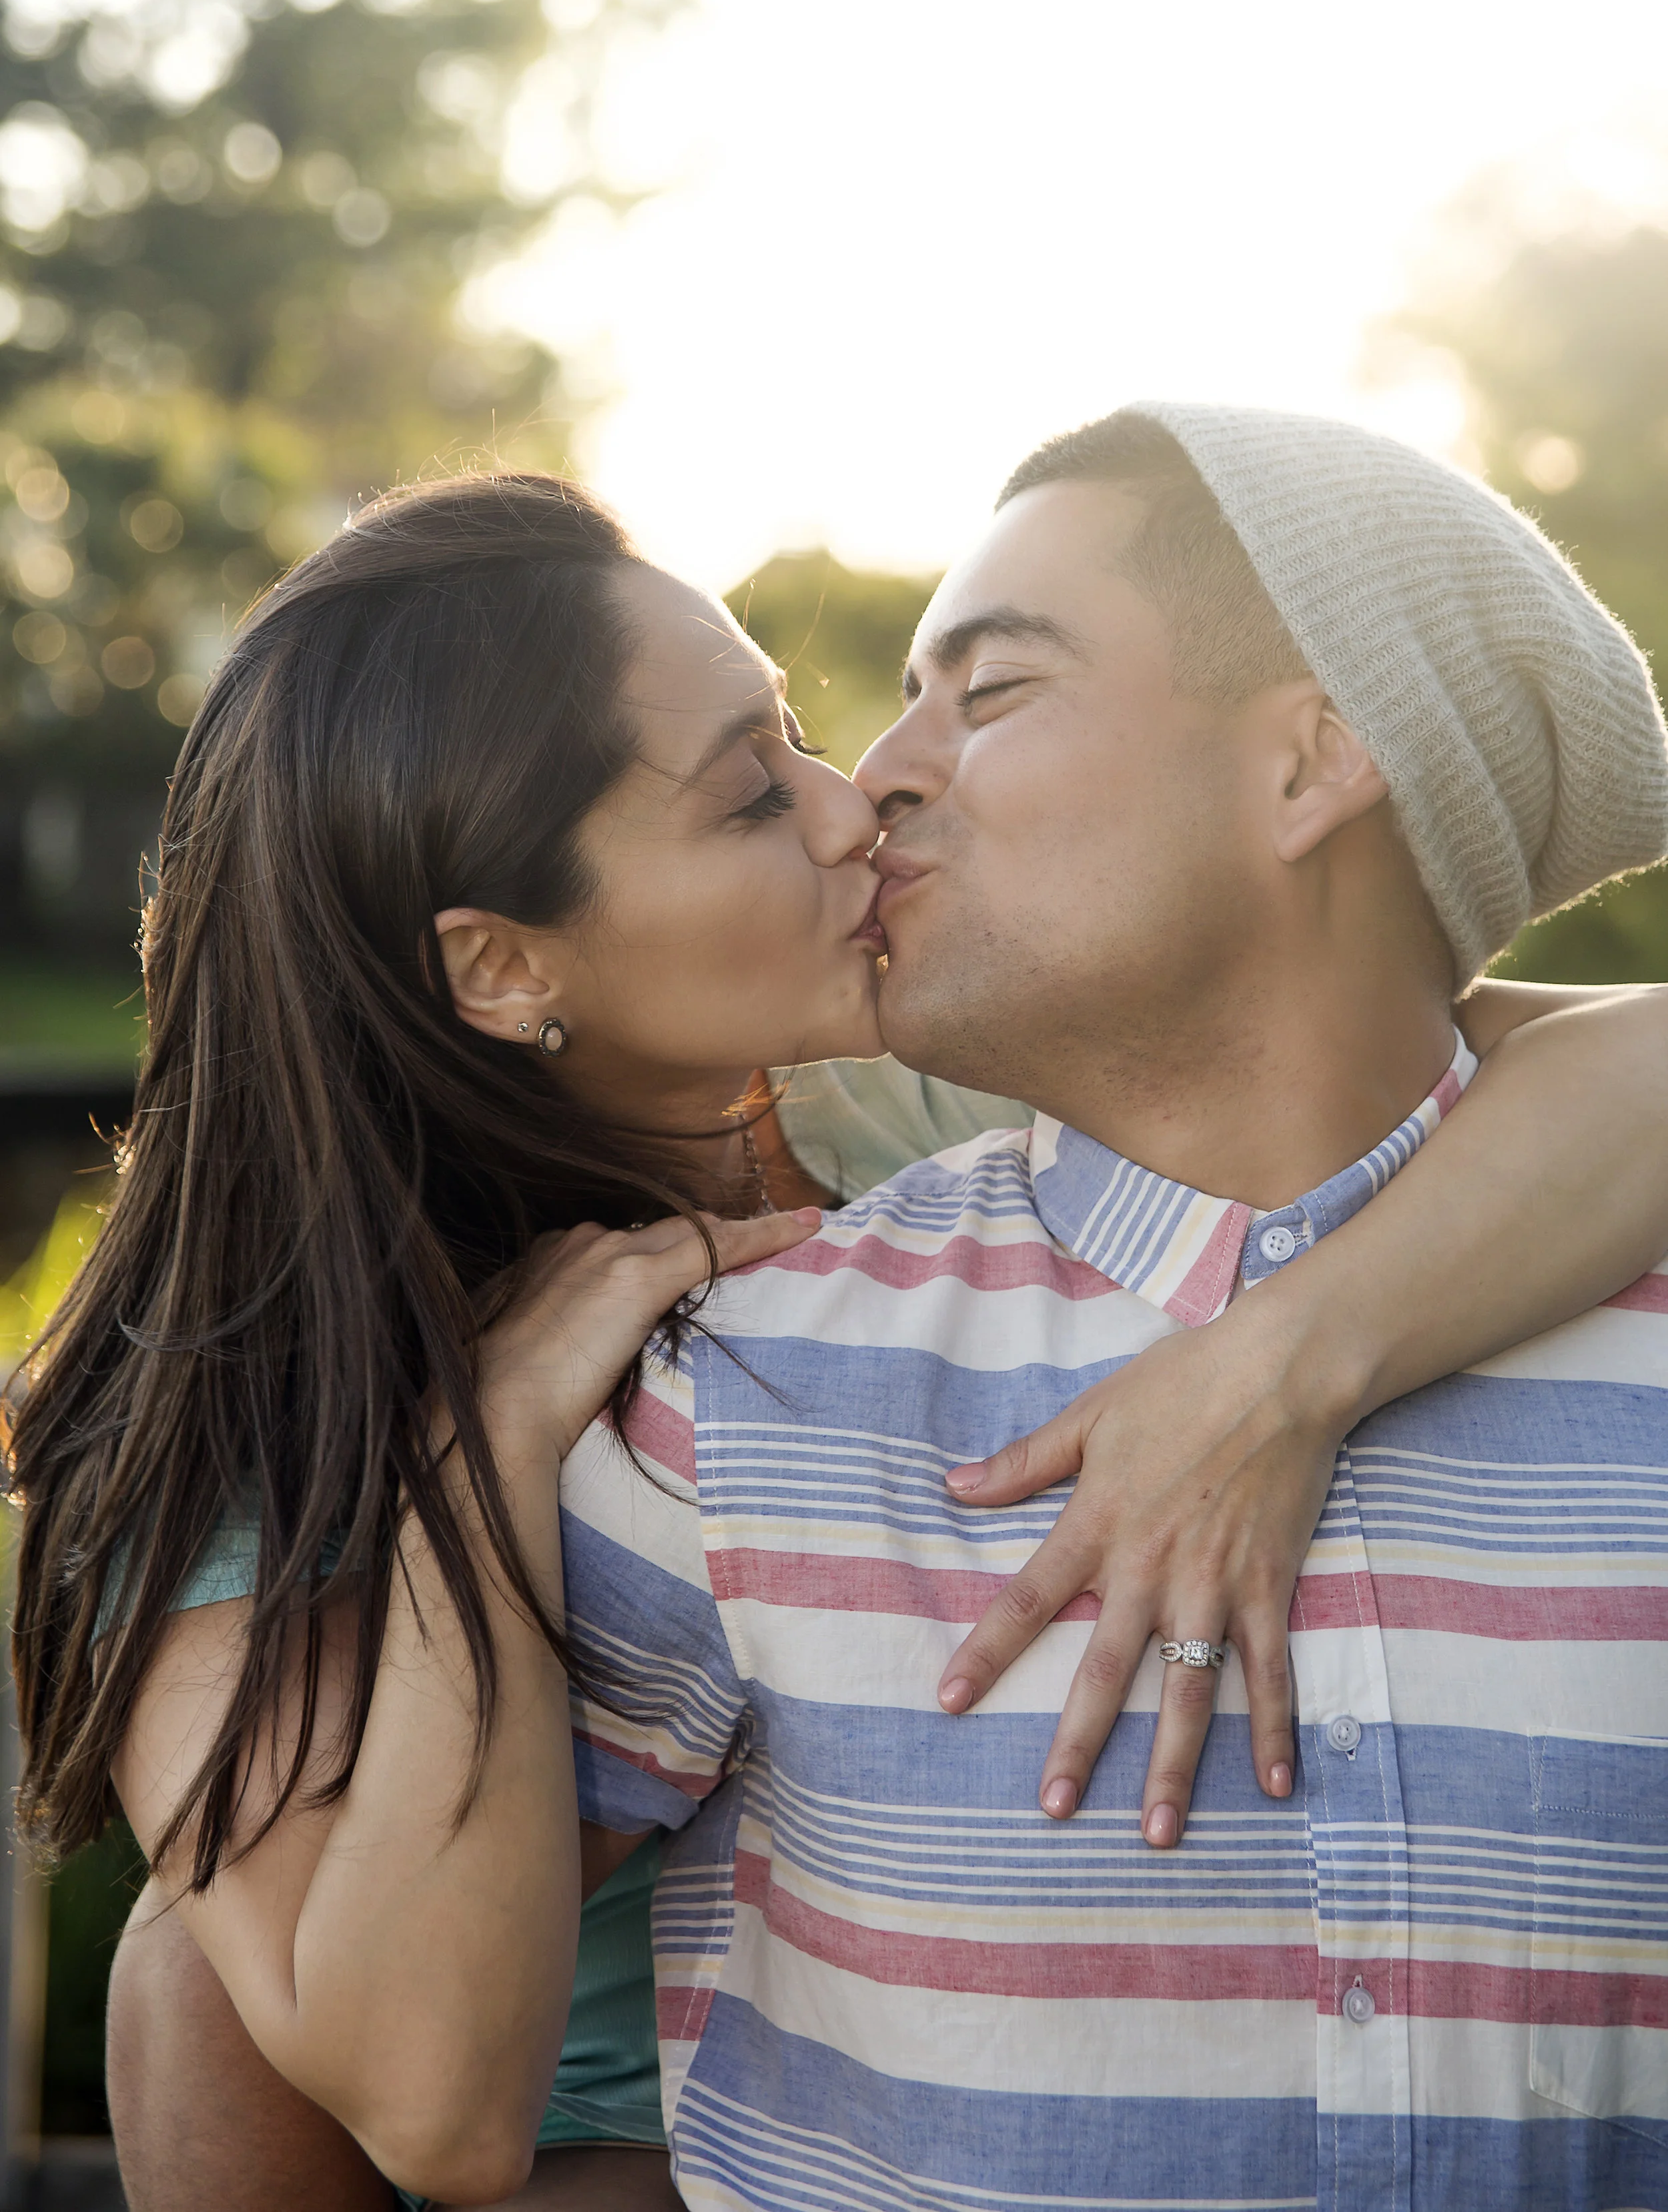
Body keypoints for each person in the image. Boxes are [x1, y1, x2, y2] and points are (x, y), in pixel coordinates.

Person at [9, 457, 1668, 2212]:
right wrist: (483, 1452)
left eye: (797, 727)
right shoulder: (265, 1426)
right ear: (503, 966)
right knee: (190, 1974)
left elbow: (1586, 1058)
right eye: (747, 798)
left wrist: (1272, 1363)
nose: (852, 801)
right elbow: (402, 2094)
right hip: (624, 2149)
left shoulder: (921, 1110)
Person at [553, 406, 1668, 2212]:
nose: (868, 783)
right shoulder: (741, 1383)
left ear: (1313, 763)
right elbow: (289, 2007)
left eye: (986, 691)